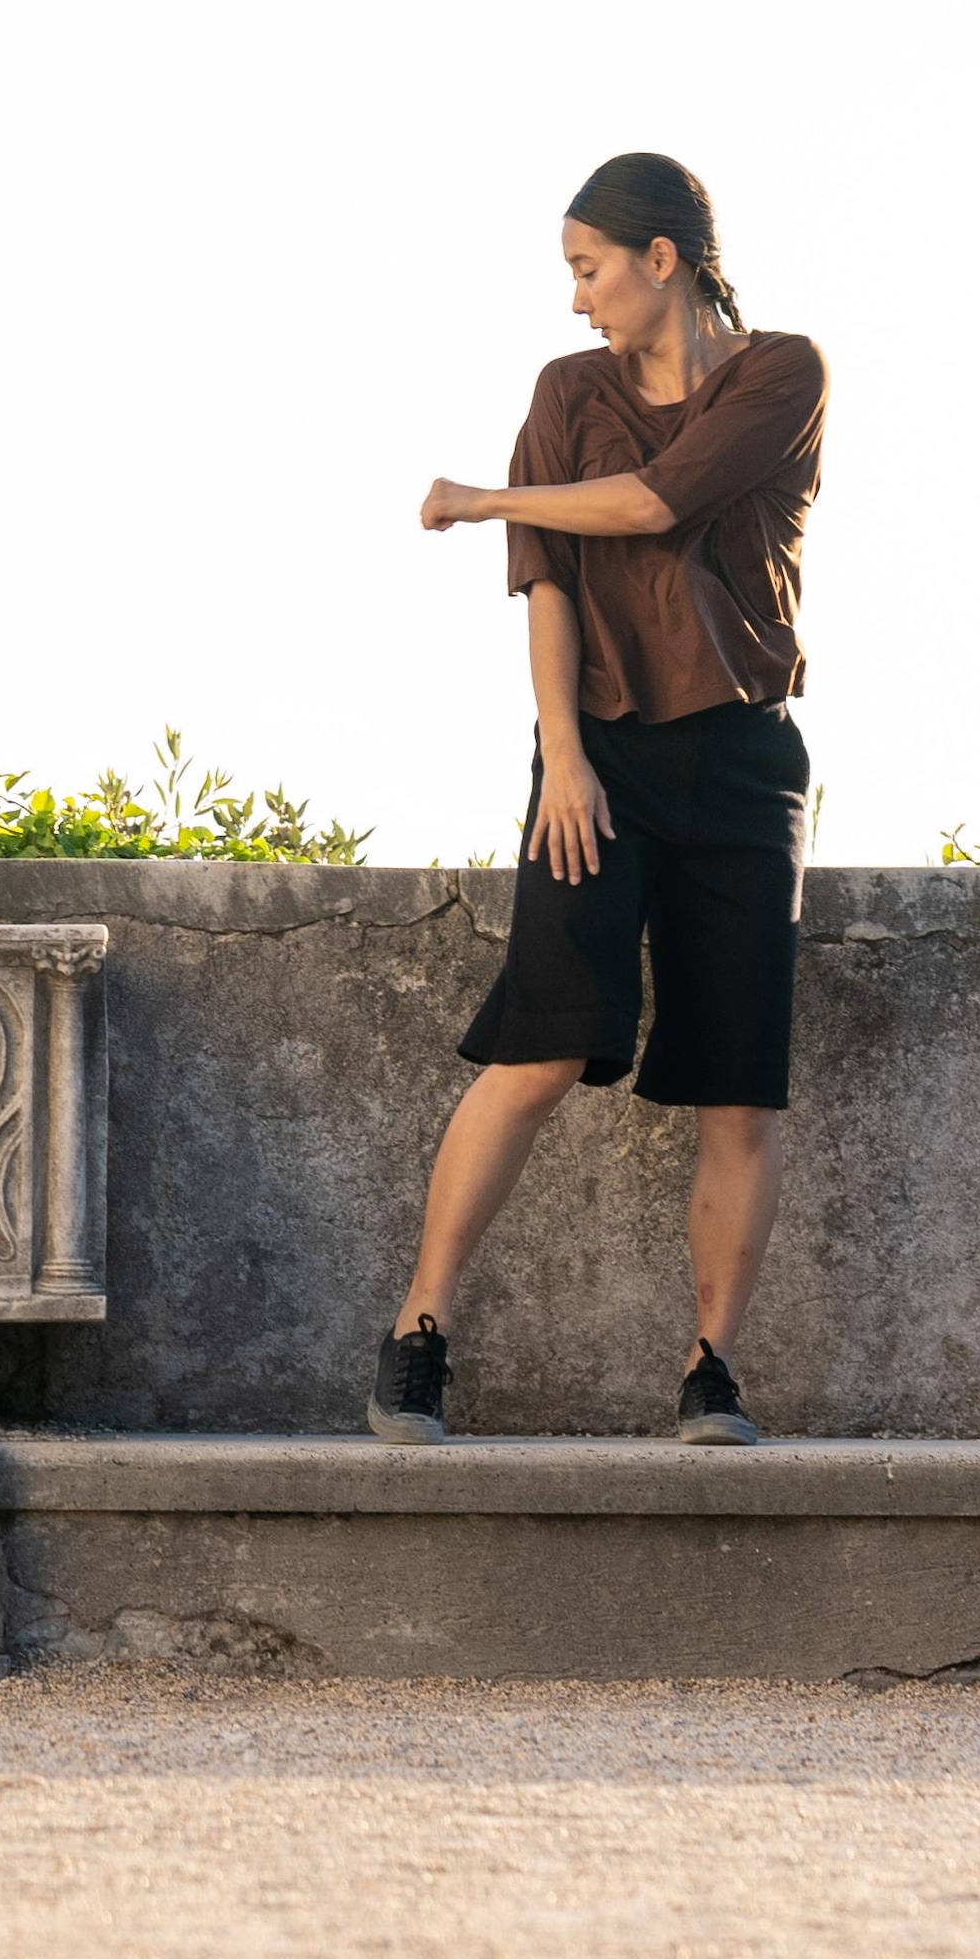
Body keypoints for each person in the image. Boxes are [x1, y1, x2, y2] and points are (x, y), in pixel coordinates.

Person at [373, 153, 824, 1449]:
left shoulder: (783, 373)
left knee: (739, 1088)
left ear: (662, 258)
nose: (577, 303)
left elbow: (654, 501)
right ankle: (417, 1332)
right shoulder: (567, 393)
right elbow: (554, 588)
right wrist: (562, 756)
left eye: (589, 270)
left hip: (742, 761)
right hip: (600, 759)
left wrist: (477, 496)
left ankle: (709, 1367)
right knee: (541, 1048)